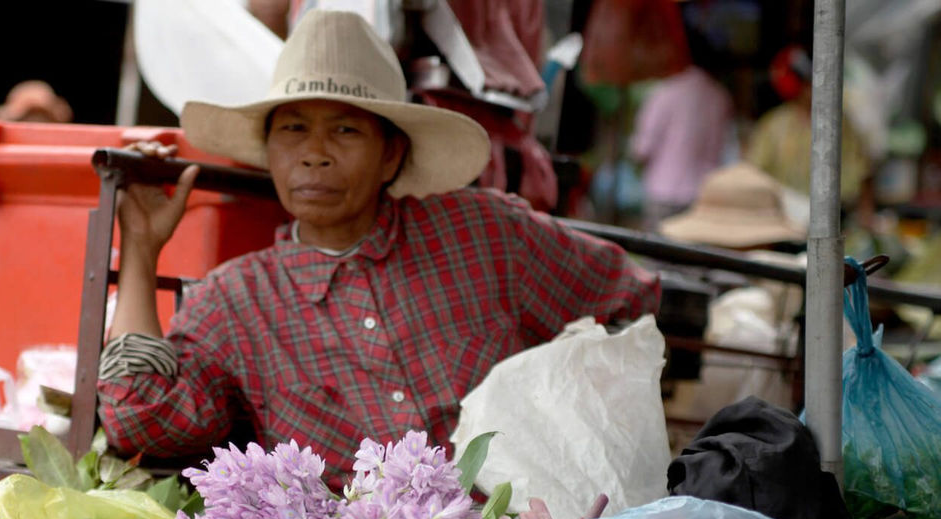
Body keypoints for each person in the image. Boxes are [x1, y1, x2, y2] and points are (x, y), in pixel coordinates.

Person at [97, 9, 659, 483]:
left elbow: (628, 303)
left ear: (391, 154)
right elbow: (140, 420)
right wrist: (141, 250)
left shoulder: (486, 234)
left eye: (345, 130)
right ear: (268, 152)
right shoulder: (236, 301)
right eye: (293, 129)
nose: (315, 153)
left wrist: (564, 428)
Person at [630, 30, 736, 230]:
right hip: (702, 195)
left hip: (663, 192)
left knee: (657, 249)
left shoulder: (666, 92)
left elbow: (642, 149)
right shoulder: (720, 97)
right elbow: (721, 149)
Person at [746, 45, 870, 209]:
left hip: (834, 212)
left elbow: (861, 174)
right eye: (807, 84)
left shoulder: (838, 122)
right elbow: (754, 172)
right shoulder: (774, 125)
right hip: (783, 212)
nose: (811, 89)